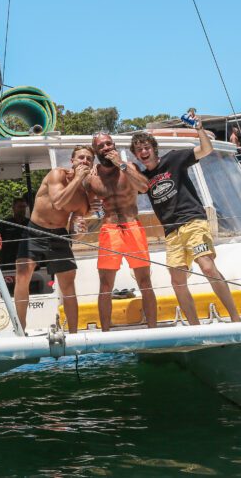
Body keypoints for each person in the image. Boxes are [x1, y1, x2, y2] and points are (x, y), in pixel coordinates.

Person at [131, 126, 241, 325]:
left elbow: (205, 150)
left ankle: (235, 318)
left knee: (207, 267)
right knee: (177, 281)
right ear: (136, 156)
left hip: (193, 221)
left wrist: (199, 129)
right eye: (139, 150)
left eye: (146, 147)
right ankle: (195, 328)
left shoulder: (173, 159)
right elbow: (130, 189)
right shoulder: (142, 179)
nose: (143, 152)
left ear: (154, 149)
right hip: (171, 232)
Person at [14, 146, 93, 332]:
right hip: (34, 230)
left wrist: (79, 232)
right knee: (22, 275)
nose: (84, 161)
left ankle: (73, 332)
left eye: (89, 159)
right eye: (81, 157)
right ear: (72, 161)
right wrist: (79, 179)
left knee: (68, 284)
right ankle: (20, 328)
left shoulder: (83, 197)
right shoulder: (56, 174)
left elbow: (74, 230)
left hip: (59, 236)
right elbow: (58, 202)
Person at [86, 133, 157, 332]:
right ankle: (106, 333)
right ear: (96, 151)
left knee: (144, 281)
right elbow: (85, 207)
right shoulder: (92, 177)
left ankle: (154, 329)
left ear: (114, 145)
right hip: (109, 229)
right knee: (106, 285)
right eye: (101, 145)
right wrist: (90, 208)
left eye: (109, 143)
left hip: (132, 225)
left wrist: (122, 165)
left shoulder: (129, 168)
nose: (106, 147)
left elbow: (144, 187)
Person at [0, 195, 30, 281]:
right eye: (19, 207)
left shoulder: (30, 224)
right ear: (13, 208)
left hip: (26, 259)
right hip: (8, 263)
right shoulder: (5, 224)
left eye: (24, 207)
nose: (22, 209)